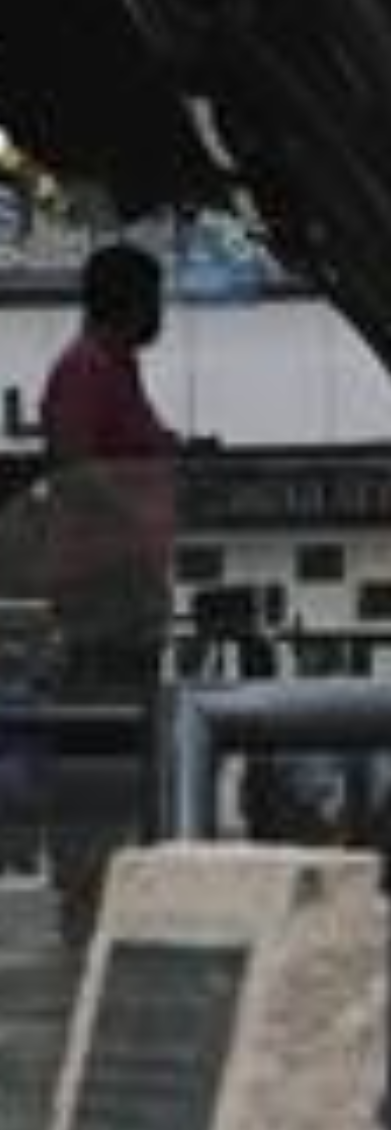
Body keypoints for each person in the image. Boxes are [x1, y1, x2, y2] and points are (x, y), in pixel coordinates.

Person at [37, 243, 179, 943]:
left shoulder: (119, 370)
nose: (164, 314)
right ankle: (86, 889)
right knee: (100, 734)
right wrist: (134, 510)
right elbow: (76, 462)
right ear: (128, 301)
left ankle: (110, 879)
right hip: (104, 588)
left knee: (123, 738)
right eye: (156, 298)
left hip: (129, 585)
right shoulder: (86, 369)